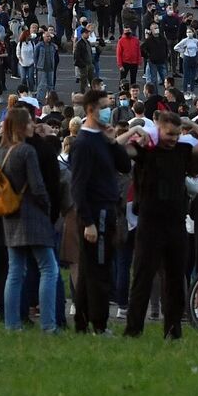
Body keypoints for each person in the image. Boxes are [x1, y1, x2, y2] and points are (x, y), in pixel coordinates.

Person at [125, 108, 198, 338]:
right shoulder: (146, 151)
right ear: (158, 130)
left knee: (175, 278)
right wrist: (135, 129)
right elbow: (116, 147)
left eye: (176, 135)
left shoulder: (183, 151)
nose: (173, 139)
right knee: (143, 276)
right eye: (169, 134)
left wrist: (191, 125)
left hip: (175, 221)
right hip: (149, 221)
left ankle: (173, 329)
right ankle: (134, 328)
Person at [68, 86, 133, 334]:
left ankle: (83, 322)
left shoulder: (102, 139)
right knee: (99, 271)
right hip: (96, 214)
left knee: (90, 270)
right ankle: (99, 323)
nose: (108, 111)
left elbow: (125, 165)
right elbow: (78, 186)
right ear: (91, 110)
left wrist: (113, 140)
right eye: (104, 107)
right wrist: (88, 221)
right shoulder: (83, 143)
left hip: (107, 209)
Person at [0, 105, 61, 332]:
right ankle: (49, 325)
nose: (34, 126)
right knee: (48, 268)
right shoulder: (26, 151)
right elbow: (38, 186)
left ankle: (12, 324)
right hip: (32, 212)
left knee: (15, 271)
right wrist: (47, 206)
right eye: (30, 123)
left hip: (9, 213)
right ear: (22, 126)